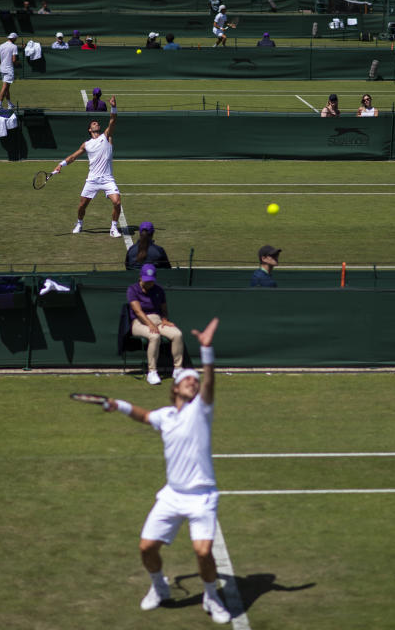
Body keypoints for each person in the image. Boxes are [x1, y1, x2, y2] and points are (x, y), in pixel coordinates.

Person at [101, 317, 232, 625]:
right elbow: (143, 415)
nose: (194, 383)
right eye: (188, 380)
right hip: (172, 495)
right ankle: (160, 587)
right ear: (175, 388)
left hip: (202, 496)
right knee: (146, 547)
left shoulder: (202, 409)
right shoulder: (165, 416)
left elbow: (210, 384)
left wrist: (207, 350)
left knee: (202, 552)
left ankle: (211, 597)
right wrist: (117, 404)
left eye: (195, 382)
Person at [53, 95, 124, 238]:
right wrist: (61, 164)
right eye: (94, 123)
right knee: (82, 206)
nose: (96, 124)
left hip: (107, 179)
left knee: (117, 202)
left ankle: (113, 228)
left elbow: (113, 120)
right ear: (89, 129)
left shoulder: (106, 136)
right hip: (92, 179)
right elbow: (73, 157)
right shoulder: (86, 144)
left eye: (97, 123)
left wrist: (113, 107)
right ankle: (79, 223)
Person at [125, 264, 184, 385]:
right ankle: (152, 372)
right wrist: (151, 325)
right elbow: (138, 311)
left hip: (157, 320)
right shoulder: (132, 289)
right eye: (147, 280)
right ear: (140, 277)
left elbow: (163, 309)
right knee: (154, 336)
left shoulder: (159, 290)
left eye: (151, 281)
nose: (149, 283)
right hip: (139, 322)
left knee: (177, 334)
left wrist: (165, 319)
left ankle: (178, 369)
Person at [0, 32, 18, 109]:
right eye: (16, 38)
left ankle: (9, 103)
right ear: (14, 38)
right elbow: (14, 60)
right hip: (8, 69)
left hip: (2, 69)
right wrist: (18, 63)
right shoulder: (14, 46)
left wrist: (0, 64)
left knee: (7, 88)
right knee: (5, 87)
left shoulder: (1, 45)